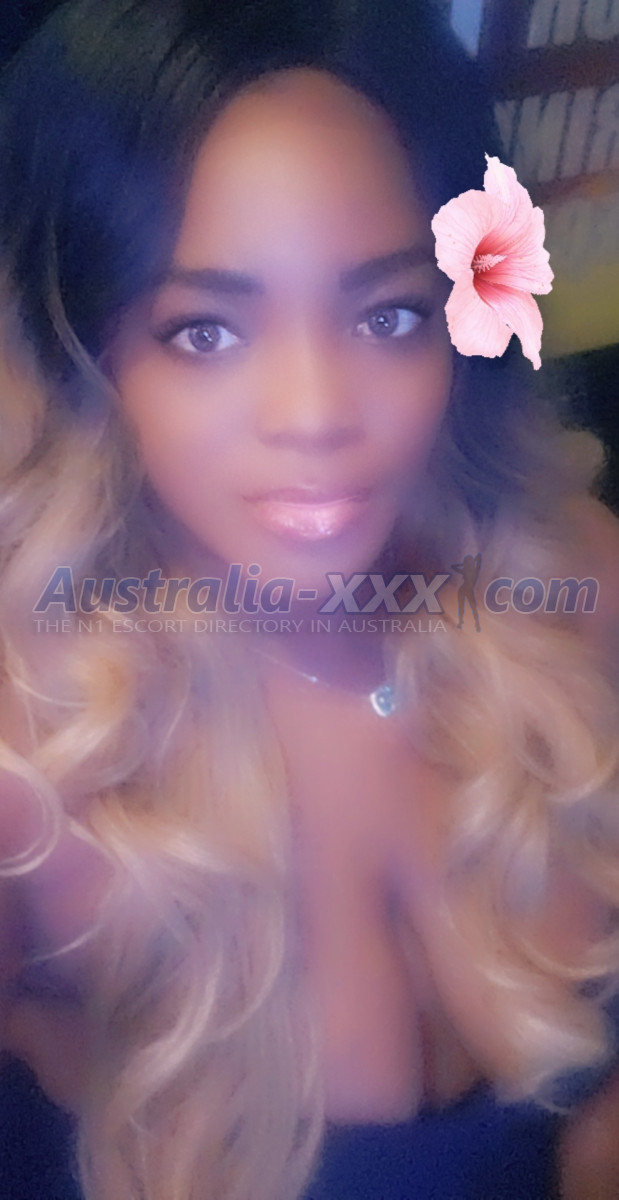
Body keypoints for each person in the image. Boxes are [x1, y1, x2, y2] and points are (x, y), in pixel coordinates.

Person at [1, 1, 619, 1197]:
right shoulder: (31, 752)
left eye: (387, 314)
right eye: (205, 333)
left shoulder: (574, 579)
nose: (318, 415)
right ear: (82, 350)